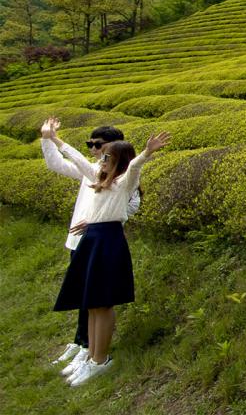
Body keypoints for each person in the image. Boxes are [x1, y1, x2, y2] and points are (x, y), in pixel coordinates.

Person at [41, 117, 171, 386]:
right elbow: (78, 160)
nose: (99, 159)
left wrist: (147, 153)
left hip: (108, 240)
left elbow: (134, 167)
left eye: (106, 157)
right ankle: (91, 355)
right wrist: (54, 139)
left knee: (102, 302)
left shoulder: (124, 183)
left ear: (118, 162)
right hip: (93, 239)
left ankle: (100, 359)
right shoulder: (97, 179)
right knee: (92, 303)